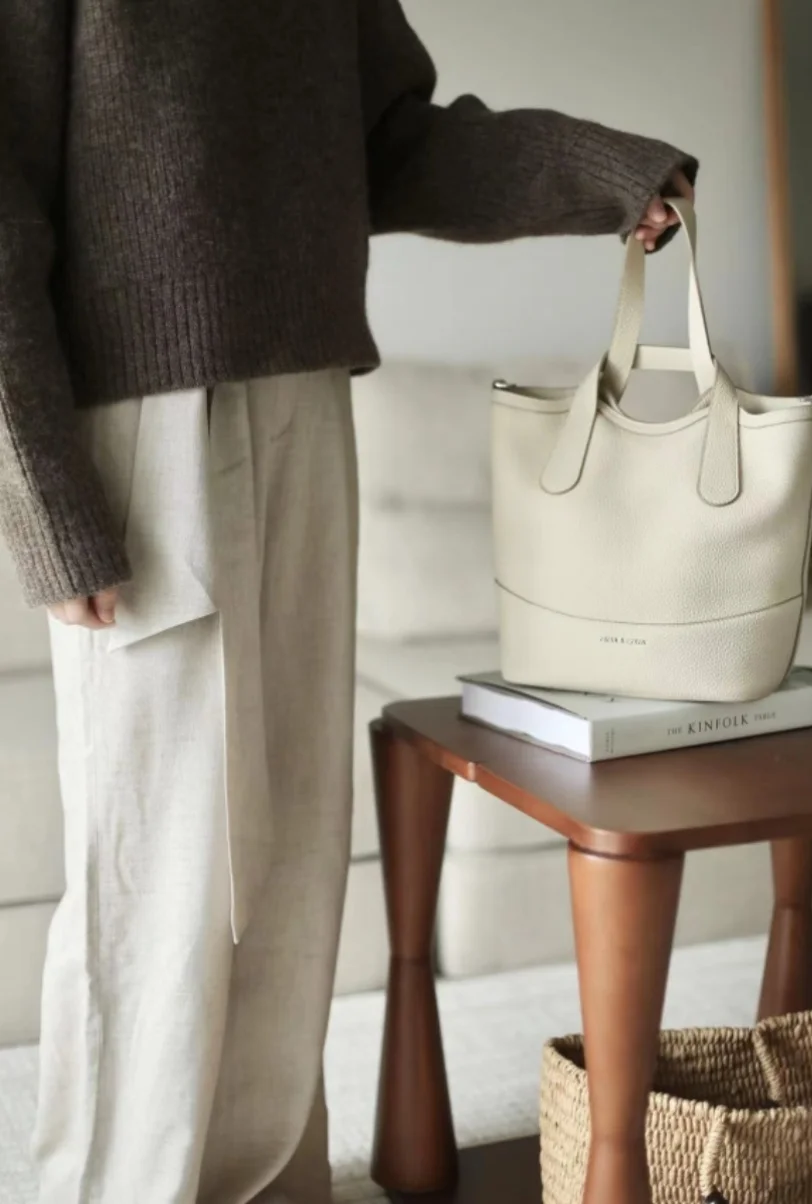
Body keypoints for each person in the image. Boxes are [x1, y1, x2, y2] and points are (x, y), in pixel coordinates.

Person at [0, 2, 696, 1201]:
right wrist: (46, 503)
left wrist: (604, 174)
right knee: (166, 880)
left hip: (308, 396)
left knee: (290, 870)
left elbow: (392, 140)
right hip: (146, 424)